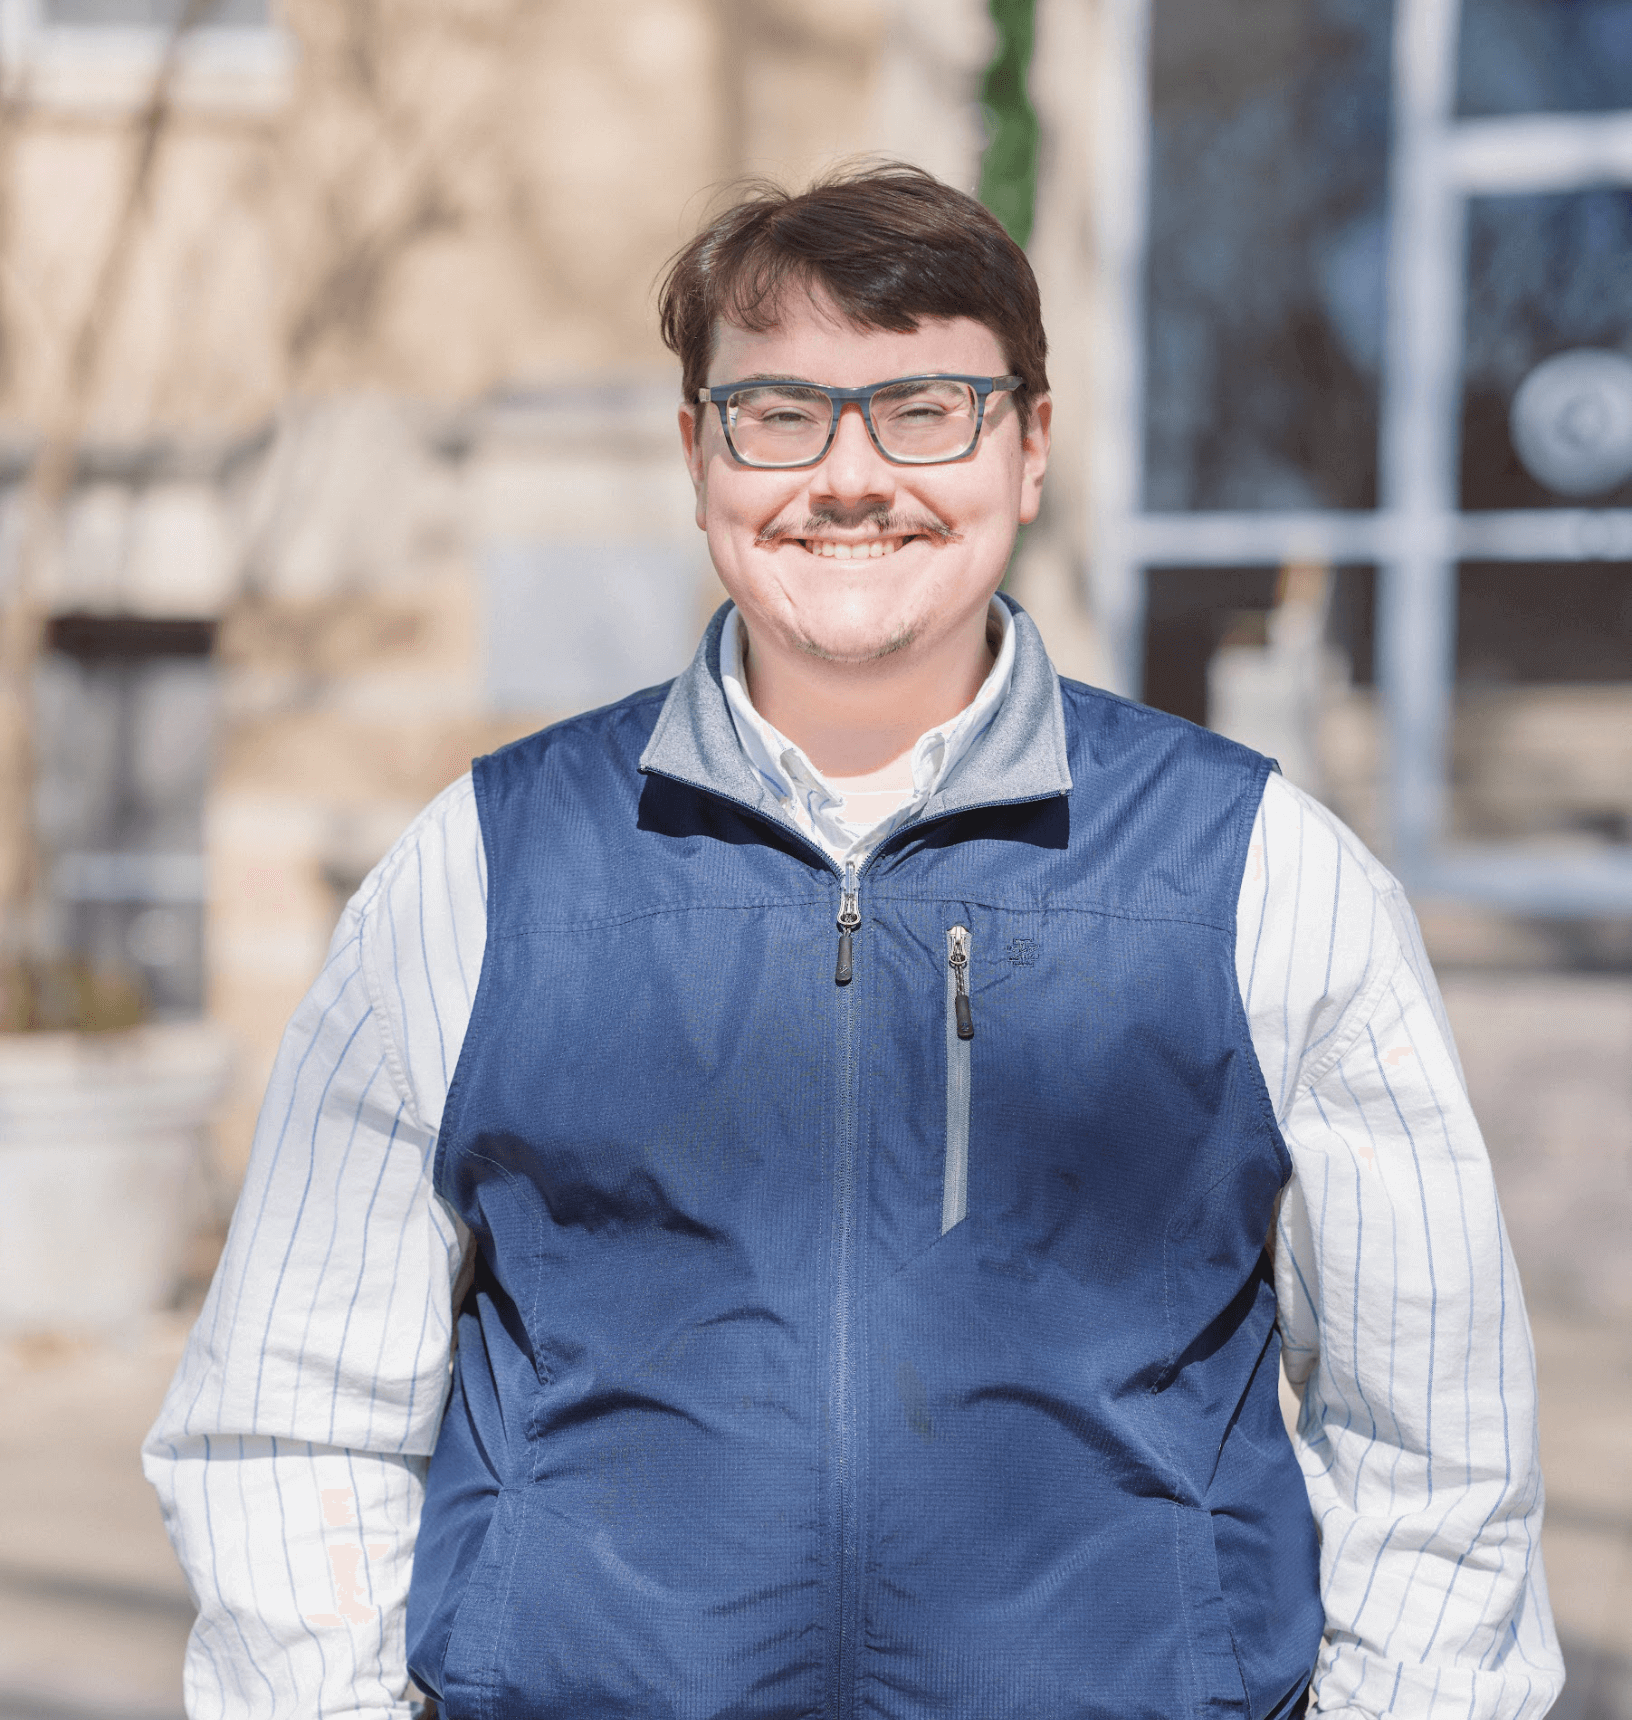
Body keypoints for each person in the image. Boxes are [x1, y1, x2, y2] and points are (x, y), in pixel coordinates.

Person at [144, 163, 1563, 1720]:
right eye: (780, 415)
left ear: (1030, 447)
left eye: (926, 410)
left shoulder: (1261, 874)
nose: (851, 477)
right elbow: (290, 1413)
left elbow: (1438, 1445)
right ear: (698, 456)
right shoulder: (484, 873)